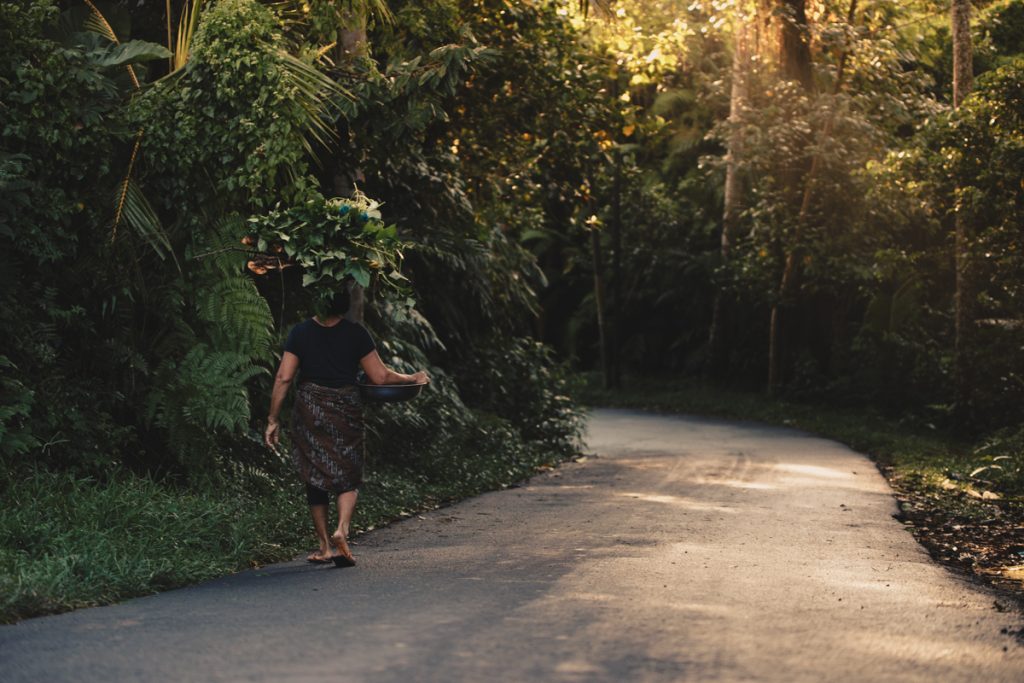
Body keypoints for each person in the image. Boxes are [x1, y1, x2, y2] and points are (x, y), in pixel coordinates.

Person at [264, 290, 427, 567]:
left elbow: (284, 376)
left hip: (310, 411)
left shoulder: (300, 332)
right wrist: (412, 377)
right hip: (346, 410)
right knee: (348, 472)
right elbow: (380, 376)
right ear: (343, 305)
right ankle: (343, 528)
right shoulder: (356, 333)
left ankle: (325, 546)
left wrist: (272, 418)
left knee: (315, 472)